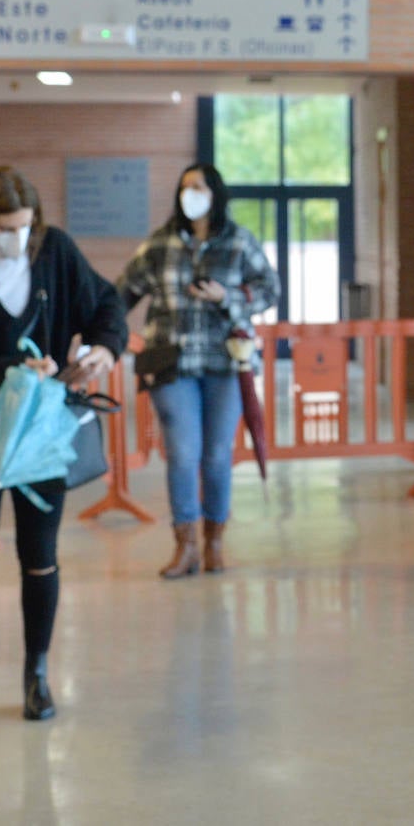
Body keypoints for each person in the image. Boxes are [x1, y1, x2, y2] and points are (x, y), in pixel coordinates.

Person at [0, 166, 128, 734]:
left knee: (40, 557)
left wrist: (103, 349)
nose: (15, 238)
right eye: (4, 228)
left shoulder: (55, 255)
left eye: (24, 227)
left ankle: (37, 674)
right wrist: (12, 369)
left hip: (42, 436)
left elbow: (107, 305)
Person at [116, 163, 278, 579]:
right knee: (184, 454)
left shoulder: (239, 241)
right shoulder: (160, 243)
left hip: (226, 363)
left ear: (216, 193)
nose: (191, 193)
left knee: (216, 455)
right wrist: (101, 335)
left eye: (199, 187)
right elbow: (122, 294)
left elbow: (270, 289)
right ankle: (185, 545)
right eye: (185, 186)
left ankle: (214, 544)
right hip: (172, 363)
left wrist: (230, 296)